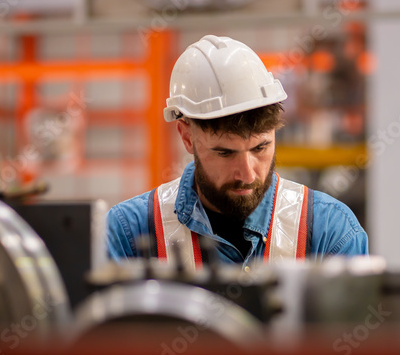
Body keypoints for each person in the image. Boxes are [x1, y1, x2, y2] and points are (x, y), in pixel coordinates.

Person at [106, 35, 368, 268]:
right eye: (225, 153)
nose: (247, 174)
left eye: (260, 148)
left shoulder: (331, 230)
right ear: (187, 136)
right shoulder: (129, 231)